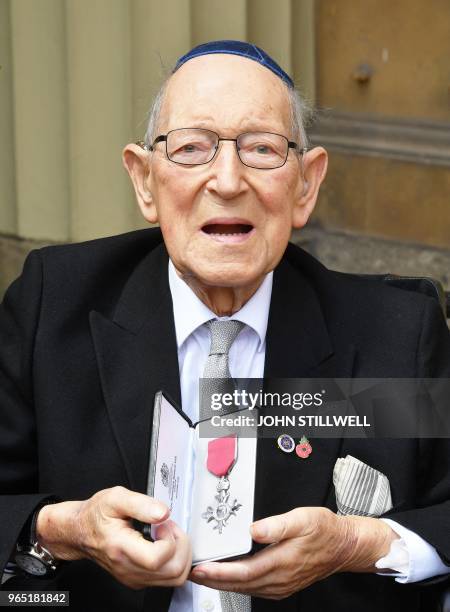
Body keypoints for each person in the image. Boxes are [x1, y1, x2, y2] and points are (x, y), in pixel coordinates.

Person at [0, 40, 449, 612]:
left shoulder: (394, 333)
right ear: (145, 181)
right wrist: (62, 531)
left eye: (262, 149)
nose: (228, 181)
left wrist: (360, 544)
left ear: (306, 185)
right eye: (191, 148)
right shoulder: (53, 307)